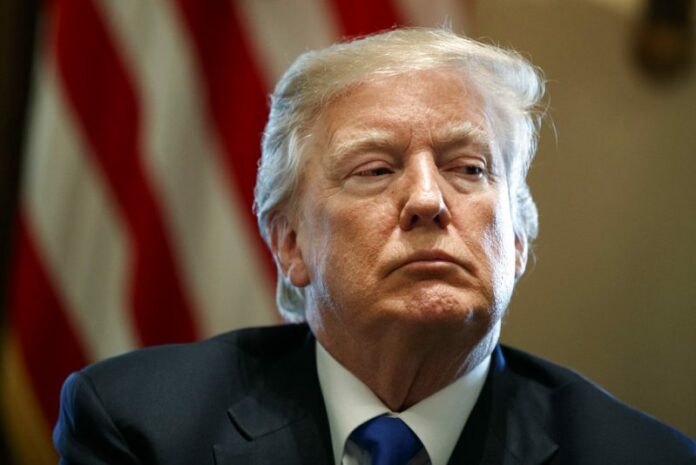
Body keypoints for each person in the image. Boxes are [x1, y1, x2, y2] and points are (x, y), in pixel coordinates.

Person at [54, 28, 695, 465]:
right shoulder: (143, 427)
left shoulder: (641, 457)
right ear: (289, 243)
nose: (427, 200)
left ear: (519, 239)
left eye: (469, 168)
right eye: (376, 169)